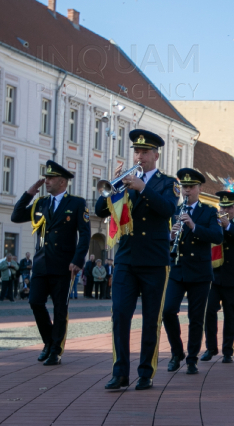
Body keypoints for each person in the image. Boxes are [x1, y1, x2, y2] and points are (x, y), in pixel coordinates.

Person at [96, 129, 178, 391]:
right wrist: (114, 183)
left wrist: (143, 189)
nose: (139, 156)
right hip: (126, 258)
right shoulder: (125, 182)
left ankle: (146, 372)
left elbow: (168, 210)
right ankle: (119, 372)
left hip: (154, 260)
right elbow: (99, 210)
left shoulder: (168, 183)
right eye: (136, 151)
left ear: (156, 155)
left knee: (151, 319)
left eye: (144, 152)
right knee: (120, 314)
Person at [10, 160, 91, 365]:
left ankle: (56, 350)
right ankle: (48, 341)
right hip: (41, 264)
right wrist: (29, 193)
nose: (46, 181)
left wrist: (78, 260)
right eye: (46, 177)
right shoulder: (41, 203)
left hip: (64, 265)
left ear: (62, 182)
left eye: (50, 178)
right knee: (35, 302)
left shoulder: (76, 203)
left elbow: (85, 234)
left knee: (60, 309)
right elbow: (16, 216)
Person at [163, 168, 223, 375]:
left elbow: (217, 236)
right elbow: (165, 241)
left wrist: (195, 226)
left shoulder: (209, 212)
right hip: (177, 270)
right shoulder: (174, 211)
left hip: (199, 272)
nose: (186, 191)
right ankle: (176, 351)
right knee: (168, 311)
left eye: (190, 187)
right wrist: (170, 236)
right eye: (183, 187)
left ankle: (191, 358)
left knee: (196, 317)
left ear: (199, 188)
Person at [201, 190, 234, 363]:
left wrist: (228, 227)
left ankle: (227, 350)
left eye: (229, 207)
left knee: (231, 314)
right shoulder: (213, 223)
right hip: (215, 274)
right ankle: (210, 348)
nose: (225, 210)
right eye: (222, 206)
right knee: (209, 311)